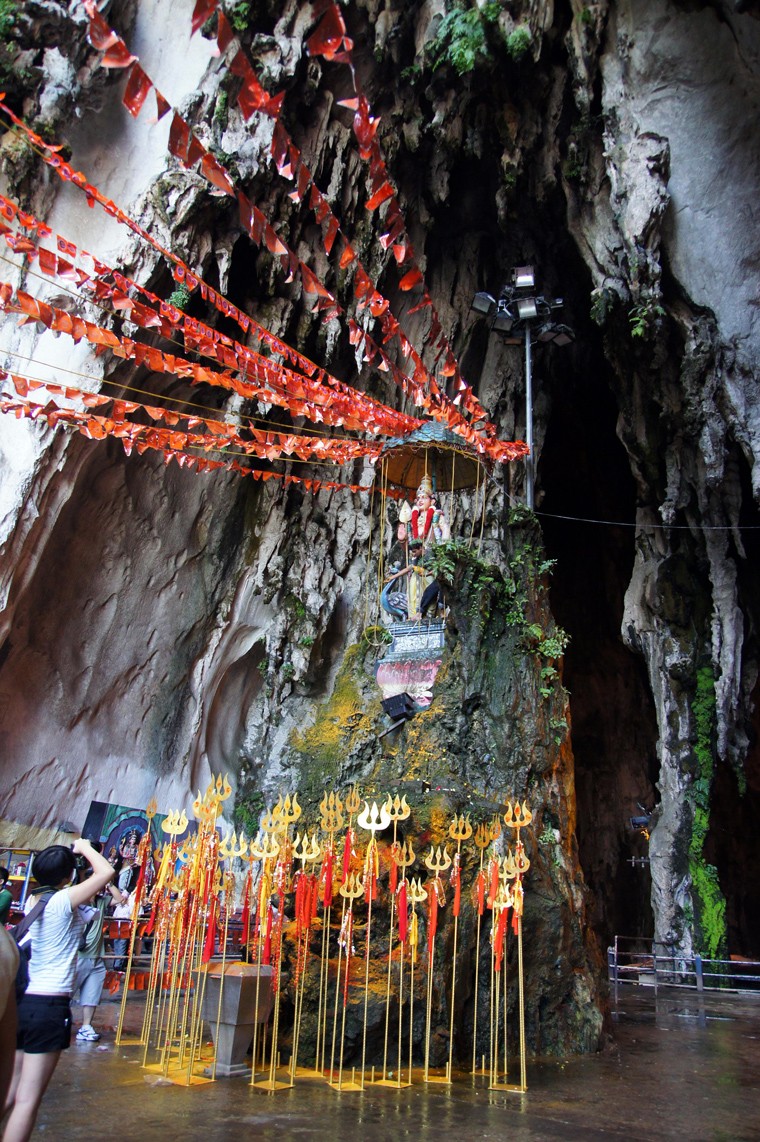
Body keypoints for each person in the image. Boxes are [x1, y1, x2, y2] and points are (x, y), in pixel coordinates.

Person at [2, 839, 114, 1142]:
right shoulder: (63, 901)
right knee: (28, 1099)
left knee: (10, 1091)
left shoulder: (33, 902)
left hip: (24, 1005)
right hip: (50, 1006)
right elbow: (105, 872)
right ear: (67, 877)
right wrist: (85, 849)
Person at [71, 845, 124, 1042]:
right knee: (67, 990)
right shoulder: (77, 899)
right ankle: (60, 1020)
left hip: (96, 956)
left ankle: (86, 1026)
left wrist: (108, 884)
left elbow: (119, 900)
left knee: (92, 994)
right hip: (79, 954)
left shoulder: (101, 902)